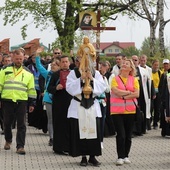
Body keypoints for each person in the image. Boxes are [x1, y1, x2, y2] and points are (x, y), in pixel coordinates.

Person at [66, 38, 106, 167]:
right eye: (83, 58)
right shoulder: (73, 73)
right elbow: (69, 88)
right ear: (78, 60)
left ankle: (93, 156)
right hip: (78, 106)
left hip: (92, 106)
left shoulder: (97, 73)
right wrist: (81, 80)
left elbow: (102, 88)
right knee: (80, 132)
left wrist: (92, 79)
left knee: (94, 132)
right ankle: (83, 156)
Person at [0, 49, 36, 155]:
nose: (18, 61)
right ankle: (8, 139)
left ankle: (20, 146)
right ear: (12, 58)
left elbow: (31, 89)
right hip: (7, 100)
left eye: (20, 58)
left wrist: (32, 102)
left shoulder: (28, 73)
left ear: (23, 58)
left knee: (21, 124)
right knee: (7, 123)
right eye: (16, 59)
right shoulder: (5, 70)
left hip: (22, 101)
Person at [110, 59, 139, 166]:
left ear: (131, 68)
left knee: (128, 135)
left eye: (127, 64)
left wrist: (123, 95)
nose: (124, 64)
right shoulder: (115, 78)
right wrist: (128, 92)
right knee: (121, 134)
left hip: (130, 111)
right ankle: (120, 157)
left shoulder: (134, 79)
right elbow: (115, 91)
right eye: (123, 63)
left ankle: (126, 155)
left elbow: (137, 94)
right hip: (117, 111)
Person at [35, 47, 60, 146]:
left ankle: (59, 137)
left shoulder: (64, 75)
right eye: (52, 64)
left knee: (59, 119)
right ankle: (52, 138)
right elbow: (39, 67)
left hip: (60, 100)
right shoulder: (48, 74)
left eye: (55, 64)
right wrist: (37, 55)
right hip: (48, 99)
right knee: (50, 119)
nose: (53, 66)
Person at [48, 55, 72, 155]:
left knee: (69, 125)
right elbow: (49, 88)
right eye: (63, 62)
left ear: (69, 63)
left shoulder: (73, 74)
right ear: (60, 63)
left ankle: (69, 147)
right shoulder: (55, 74)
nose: (65, 63)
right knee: (59, 124)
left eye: (66, 61)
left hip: (71, 102)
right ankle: (58, 148)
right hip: (58, 102)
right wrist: (56, 88)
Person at [151, 59, 163, 129]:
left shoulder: (160, 73)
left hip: (158, 92)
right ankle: (149, 122)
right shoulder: (149, 72)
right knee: (151, 107)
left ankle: (155, 123)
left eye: (157, 65)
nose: (156, 66)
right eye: (155, 65)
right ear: (152, 65)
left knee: (157, 108)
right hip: (151, 92)